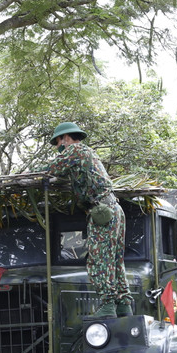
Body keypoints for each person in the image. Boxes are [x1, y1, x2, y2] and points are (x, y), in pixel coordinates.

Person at [43, 122, 133, 318]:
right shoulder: (87, 153)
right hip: (114, 208)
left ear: (65, 138)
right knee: (115, 260)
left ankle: (108, 305)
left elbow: (51, 168)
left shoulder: (75, 150)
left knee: (99, 259)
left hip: (102, 211)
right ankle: (123, 305)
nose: (58, 147)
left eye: (57, 142)